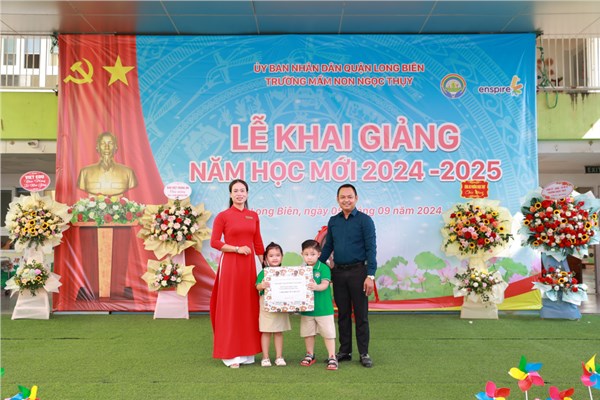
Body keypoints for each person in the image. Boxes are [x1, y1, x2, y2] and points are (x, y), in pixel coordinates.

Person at [319, 183, 377, 368]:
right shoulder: (333, 221)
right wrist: (315, 266)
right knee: (343, 314)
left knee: (361, 315)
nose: (346, 200)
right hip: (338, 273)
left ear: (356, 198)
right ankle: (345, 351)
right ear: (338, 199)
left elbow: (371, 249)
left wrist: (370, 275)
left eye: (350, 197)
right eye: (342, 197)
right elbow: (328, 247)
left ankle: (364, 353)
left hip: (359, 273)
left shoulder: (365, 221)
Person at [209, 179, 265, 368]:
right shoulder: (223, 216)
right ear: (230, 194)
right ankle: (231, 355)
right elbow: (215, 242)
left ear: (247, 194)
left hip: (249, 267)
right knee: (231, 305)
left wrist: (266, 268)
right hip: (231, 265)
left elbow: (258, 243)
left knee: (248, 306)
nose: (239, 194)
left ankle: (247, 352)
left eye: (242, 190)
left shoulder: (253, 215)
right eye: (236, 191)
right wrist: (236, 249)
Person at [299, 239, 337, 371]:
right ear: (302, 254)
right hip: (307, 309)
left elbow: (325, 285)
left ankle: (332, 356)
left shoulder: (324, 268)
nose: (309, 257)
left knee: (328, 334)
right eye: (306, 254)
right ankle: (310, 354)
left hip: (323, 309)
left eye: (312, 254)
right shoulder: (301, 270)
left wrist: (316, 286)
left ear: (319, 254)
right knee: (308, 333)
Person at [255, 242, 291, 367]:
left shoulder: (286, 272)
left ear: (282, 257)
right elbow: (257, 286)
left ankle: (279, 357)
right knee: (266, 331)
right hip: (266, 304)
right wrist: (262, 285)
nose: (275, 258)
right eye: (271, 256)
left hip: (280, 304)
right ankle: (265, 357)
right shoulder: (264, 272)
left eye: (277, 255)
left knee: (278, 331)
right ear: (266, 258)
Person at [77, 131, 137, 196]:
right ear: (97, 147)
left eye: (110, 143)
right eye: (103, 143)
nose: (107, 147)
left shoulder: (128, 173)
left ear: (116, 147)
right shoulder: (85, 172)